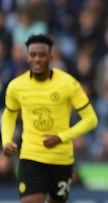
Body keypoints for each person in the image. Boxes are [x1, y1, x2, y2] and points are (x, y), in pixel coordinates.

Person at [1, 34, 98, 203]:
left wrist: (61, 137)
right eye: (33, 55)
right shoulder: (16, 87)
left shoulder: (68, 84)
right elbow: (9, 115)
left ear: (51, 57)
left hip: (61, 158)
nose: (37, 59)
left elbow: (91, 119)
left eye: (42, 54)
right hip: (31, 156)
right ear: (27, 57)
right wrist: (6, 140)